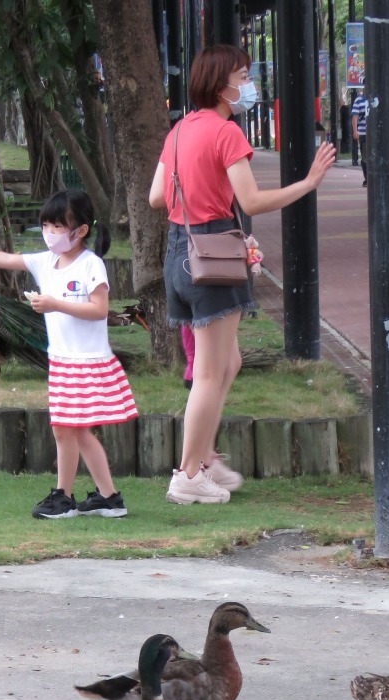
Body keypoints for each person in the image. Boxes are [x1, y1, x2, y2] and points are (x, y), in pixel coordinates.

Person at [149, 44, 336, 505]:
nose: (248, 83)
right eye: (242, 75)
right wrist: (307, 184)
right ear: (221, 85)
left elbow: (157, 196)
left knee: (225, 364)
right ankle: (188, 474)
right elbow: (250, 202)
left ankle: (205, 458)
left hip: (179, 252)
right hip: (214, 253)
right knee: (211, 374)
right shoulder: (226, 132)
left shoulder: (178, 132)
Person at [0, 190, 136, 520]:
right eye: (46, 225)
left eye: (57, 226)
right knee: (75, 430)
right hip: (62, 360)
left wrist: (54, 305)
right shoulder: (46, 262)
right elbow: (7, 259)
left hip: (85, 360)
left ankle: (64, 497)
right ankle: (108, 497)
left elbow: (99, 310)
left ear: (80, 230)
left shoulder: (91, 265)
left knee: (65, 428)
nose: (49, 232)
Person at [351, 85, 369, 186]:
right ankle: (367, 178)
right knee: (365, 156)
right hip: (363, 132)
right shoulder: (358, 100)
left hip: (376, 134)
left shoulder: (378, 97)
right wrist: (355, 131)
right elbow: (355, 116)